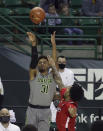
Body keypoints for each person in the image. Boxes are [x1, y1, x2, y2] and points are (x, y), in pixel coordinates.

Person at [26, 32, 63, 131]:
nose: (42, 63)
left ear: (48, 65)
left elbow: (54, 63)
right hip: (32, 109)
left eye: (44, 62)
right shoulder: (34, 75)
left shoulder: (52, 76)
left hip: (46, 110)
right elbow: (33, 59)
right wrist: (34, 44)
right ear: (38, 65)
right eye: (40, 62)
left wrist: (54, 44)